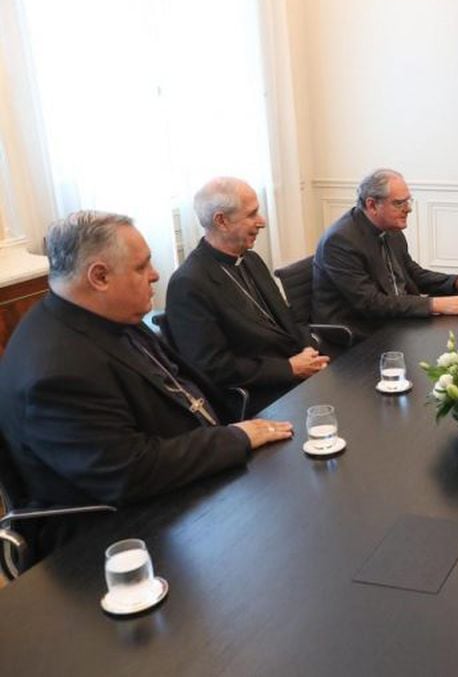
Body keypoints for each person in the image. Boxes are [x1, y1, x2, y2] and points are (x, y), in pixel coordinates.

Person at [0, 211, 292, 561]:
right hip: (120, 536)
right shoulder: (55, 372)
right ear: (100, 276)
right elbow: (130, 472)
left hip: (190, 476)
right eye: (141, 267)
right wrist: (238, 438)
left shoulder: (107, 314)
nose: (155, 275)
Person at [165, 177, 329, 416]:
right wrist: (289, 368)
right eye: (252, 215)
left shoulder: (250, 259)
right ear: (221, 221)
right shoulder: (189, 283)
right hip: (258, 395)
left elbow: (286, 319)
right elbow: (212, 367)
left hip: (297, 374)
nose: (261, 222)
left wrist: (310, 351)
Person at [312, 169, 458, 339]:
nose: (408, 209)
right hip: (362, 333)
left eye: (408, 201)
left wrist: (457, 282)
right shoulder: (340, 241)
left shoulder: (389, 228)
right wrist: (435, 304)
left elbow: (412, 273)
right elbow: (371, 303)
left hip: (396, 320)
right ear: (372, 205)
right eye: (399, 203)